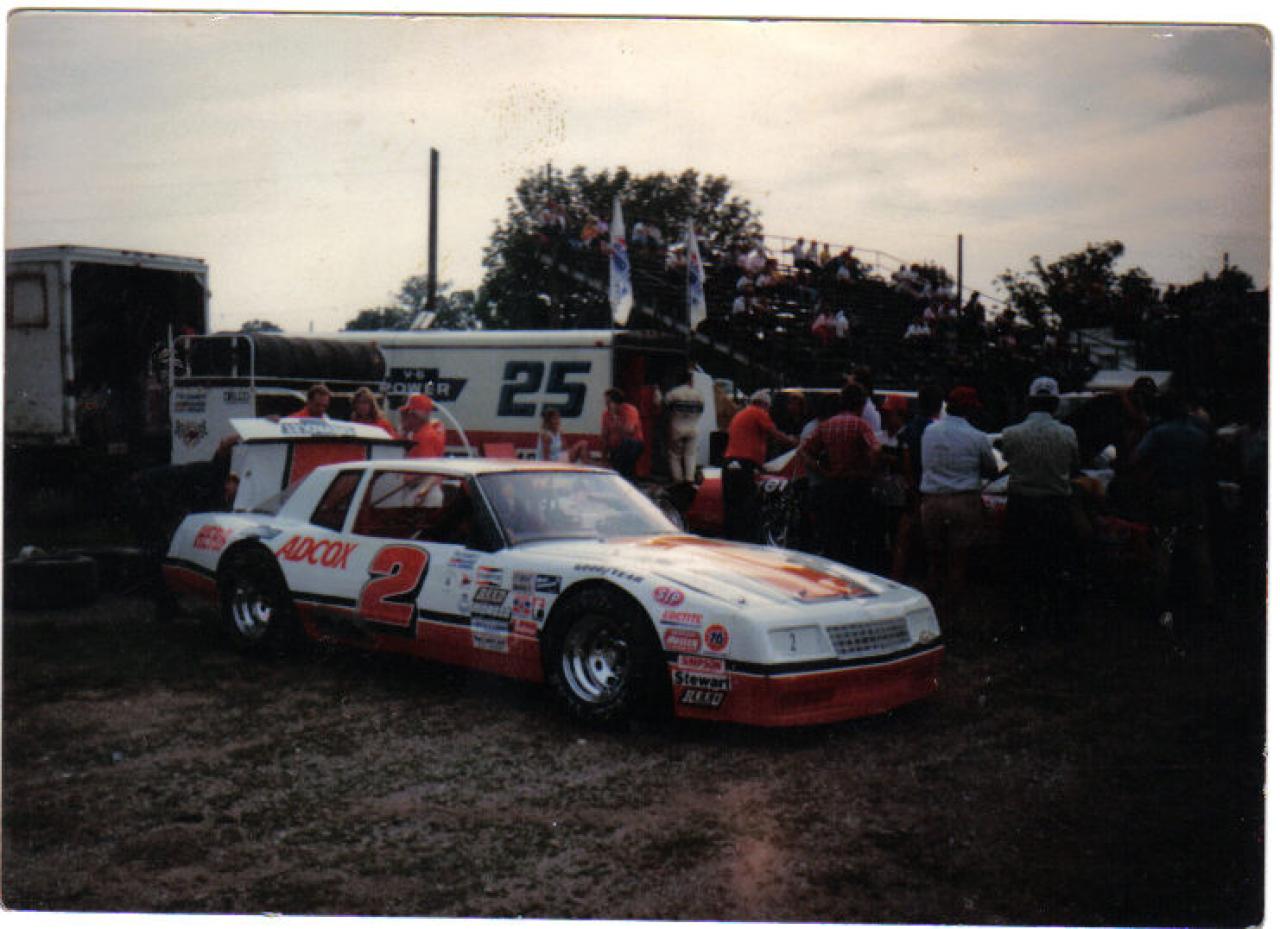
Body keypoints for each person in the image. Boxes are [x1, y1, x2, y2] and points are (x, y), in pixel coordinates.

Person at [124, 431, 240, 622]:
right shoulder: (216, 473)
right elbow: (225, 443)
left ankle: (166, 606)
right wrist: (256, 427)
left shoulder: (218, 498)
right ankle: (165, 609)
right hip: (143, 492)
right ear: (228, 480)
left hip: (156, 496)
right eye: (233, 486)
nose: (233, 493)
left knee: (161, 548)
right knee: (156, 551)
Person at [1001, 376, 1081, 634]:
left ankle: (1023, 620)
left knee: (1021, 565)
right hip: (1055, 506)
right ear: (1055, 403)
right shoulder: (1067, 433)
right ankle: (1056, 621)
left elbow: (1007, 459)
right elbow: (1074, 464)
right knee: (1056, 565)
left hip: (1022, 506)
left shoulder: (1011, 433)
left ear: (1029, 402)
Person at [918, 386, 999, 621]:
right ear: (969, 409)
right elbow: (991, 470)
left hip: (932, 501)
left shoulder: (930, 431)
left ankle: (930, 613)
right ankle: (953, 614)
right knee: (957, 560)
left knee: (935, 560)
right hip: (963, 501)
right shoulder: (978, 436)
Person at [1134, 391, 1215, 622]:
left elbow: (1136, 458)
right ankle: (1207, 600)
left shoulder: (1159, 433)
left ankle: (1159, 599)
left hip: (1169, 493)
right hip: (1196, 494)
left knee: (1164, 545)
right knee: (1199, 546)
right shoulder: (1200, 432)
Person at [798, 383, 880, 567]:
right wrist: (869, 469)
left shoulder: (827, 425)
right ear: (860, 404)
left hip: (833, 484)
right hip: (857, 485)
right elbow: (875, 450)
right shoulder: (861, 425)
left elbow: (803, 451)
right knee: (859, 536)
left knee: (836, 537)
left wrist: (822, 469)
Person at [722, 389, 797, 543]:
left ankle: (731, 537)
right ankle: (747, 539)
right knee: (747, 502)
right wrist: (793, 441)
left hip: (730, 462)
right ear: (765, 404)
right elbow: (774, 433)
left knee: (732, 504)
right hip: (744, 463)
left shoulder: (741, 414)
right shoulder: (758, 413)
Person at [892, 383, 944, 580]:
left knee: (904, 539)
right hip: (928, 489)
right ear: (938, 406)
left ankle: (896, 578)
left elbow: (904, 459)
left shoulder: (909, 429)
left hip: (911, 487)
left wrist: (911, 484)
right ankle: (930, 584)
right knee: (932, 542)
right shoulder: (935, 430)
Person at [664, 371, 705, 484]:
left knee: (675, 455)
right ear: (690, 380)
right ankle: (689, 479)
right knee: (691, 454)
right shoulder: (698, 395)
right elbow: (701, 410)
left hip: (676, 428)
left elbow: (665, 406)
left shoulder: (673, 394)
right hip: (693, 427)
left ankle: (678, 479)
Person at [601, 387, 644, 479]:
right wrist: (604, 457)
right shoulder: (606, 415)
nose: (606, 405)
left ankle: (626, 473)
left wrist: (616, 419)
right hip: (615, 447)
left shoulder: (630, 410)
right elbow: (605, 436)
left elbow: (629, 431)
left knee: (627, 443)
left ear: (616, 402)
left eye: (608, 402)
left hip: (632, 444)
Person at [400, 393, 446, 459]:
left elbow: (424, 464)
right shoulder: (420, 433)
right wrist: (404, 434)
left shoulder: (425, 436)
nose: (403, 418)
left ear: (416, 416)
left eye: (406, 414)